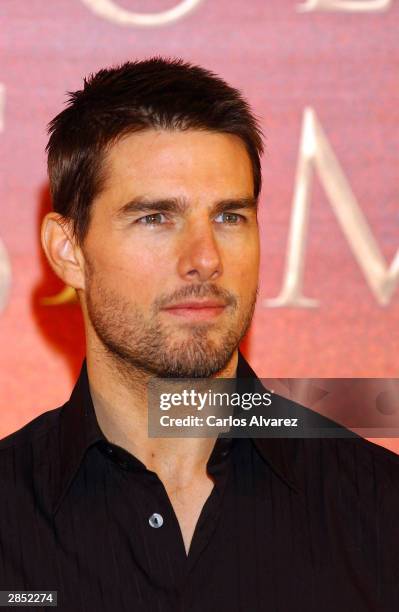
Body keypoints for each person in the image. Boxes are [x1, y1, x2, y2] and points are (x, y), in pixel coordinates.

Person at [0, 57, 398, 612]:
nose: (205, 259)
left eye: (229, 217)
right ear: (69, 252)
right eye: (155, 218)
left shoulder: (378, 509)